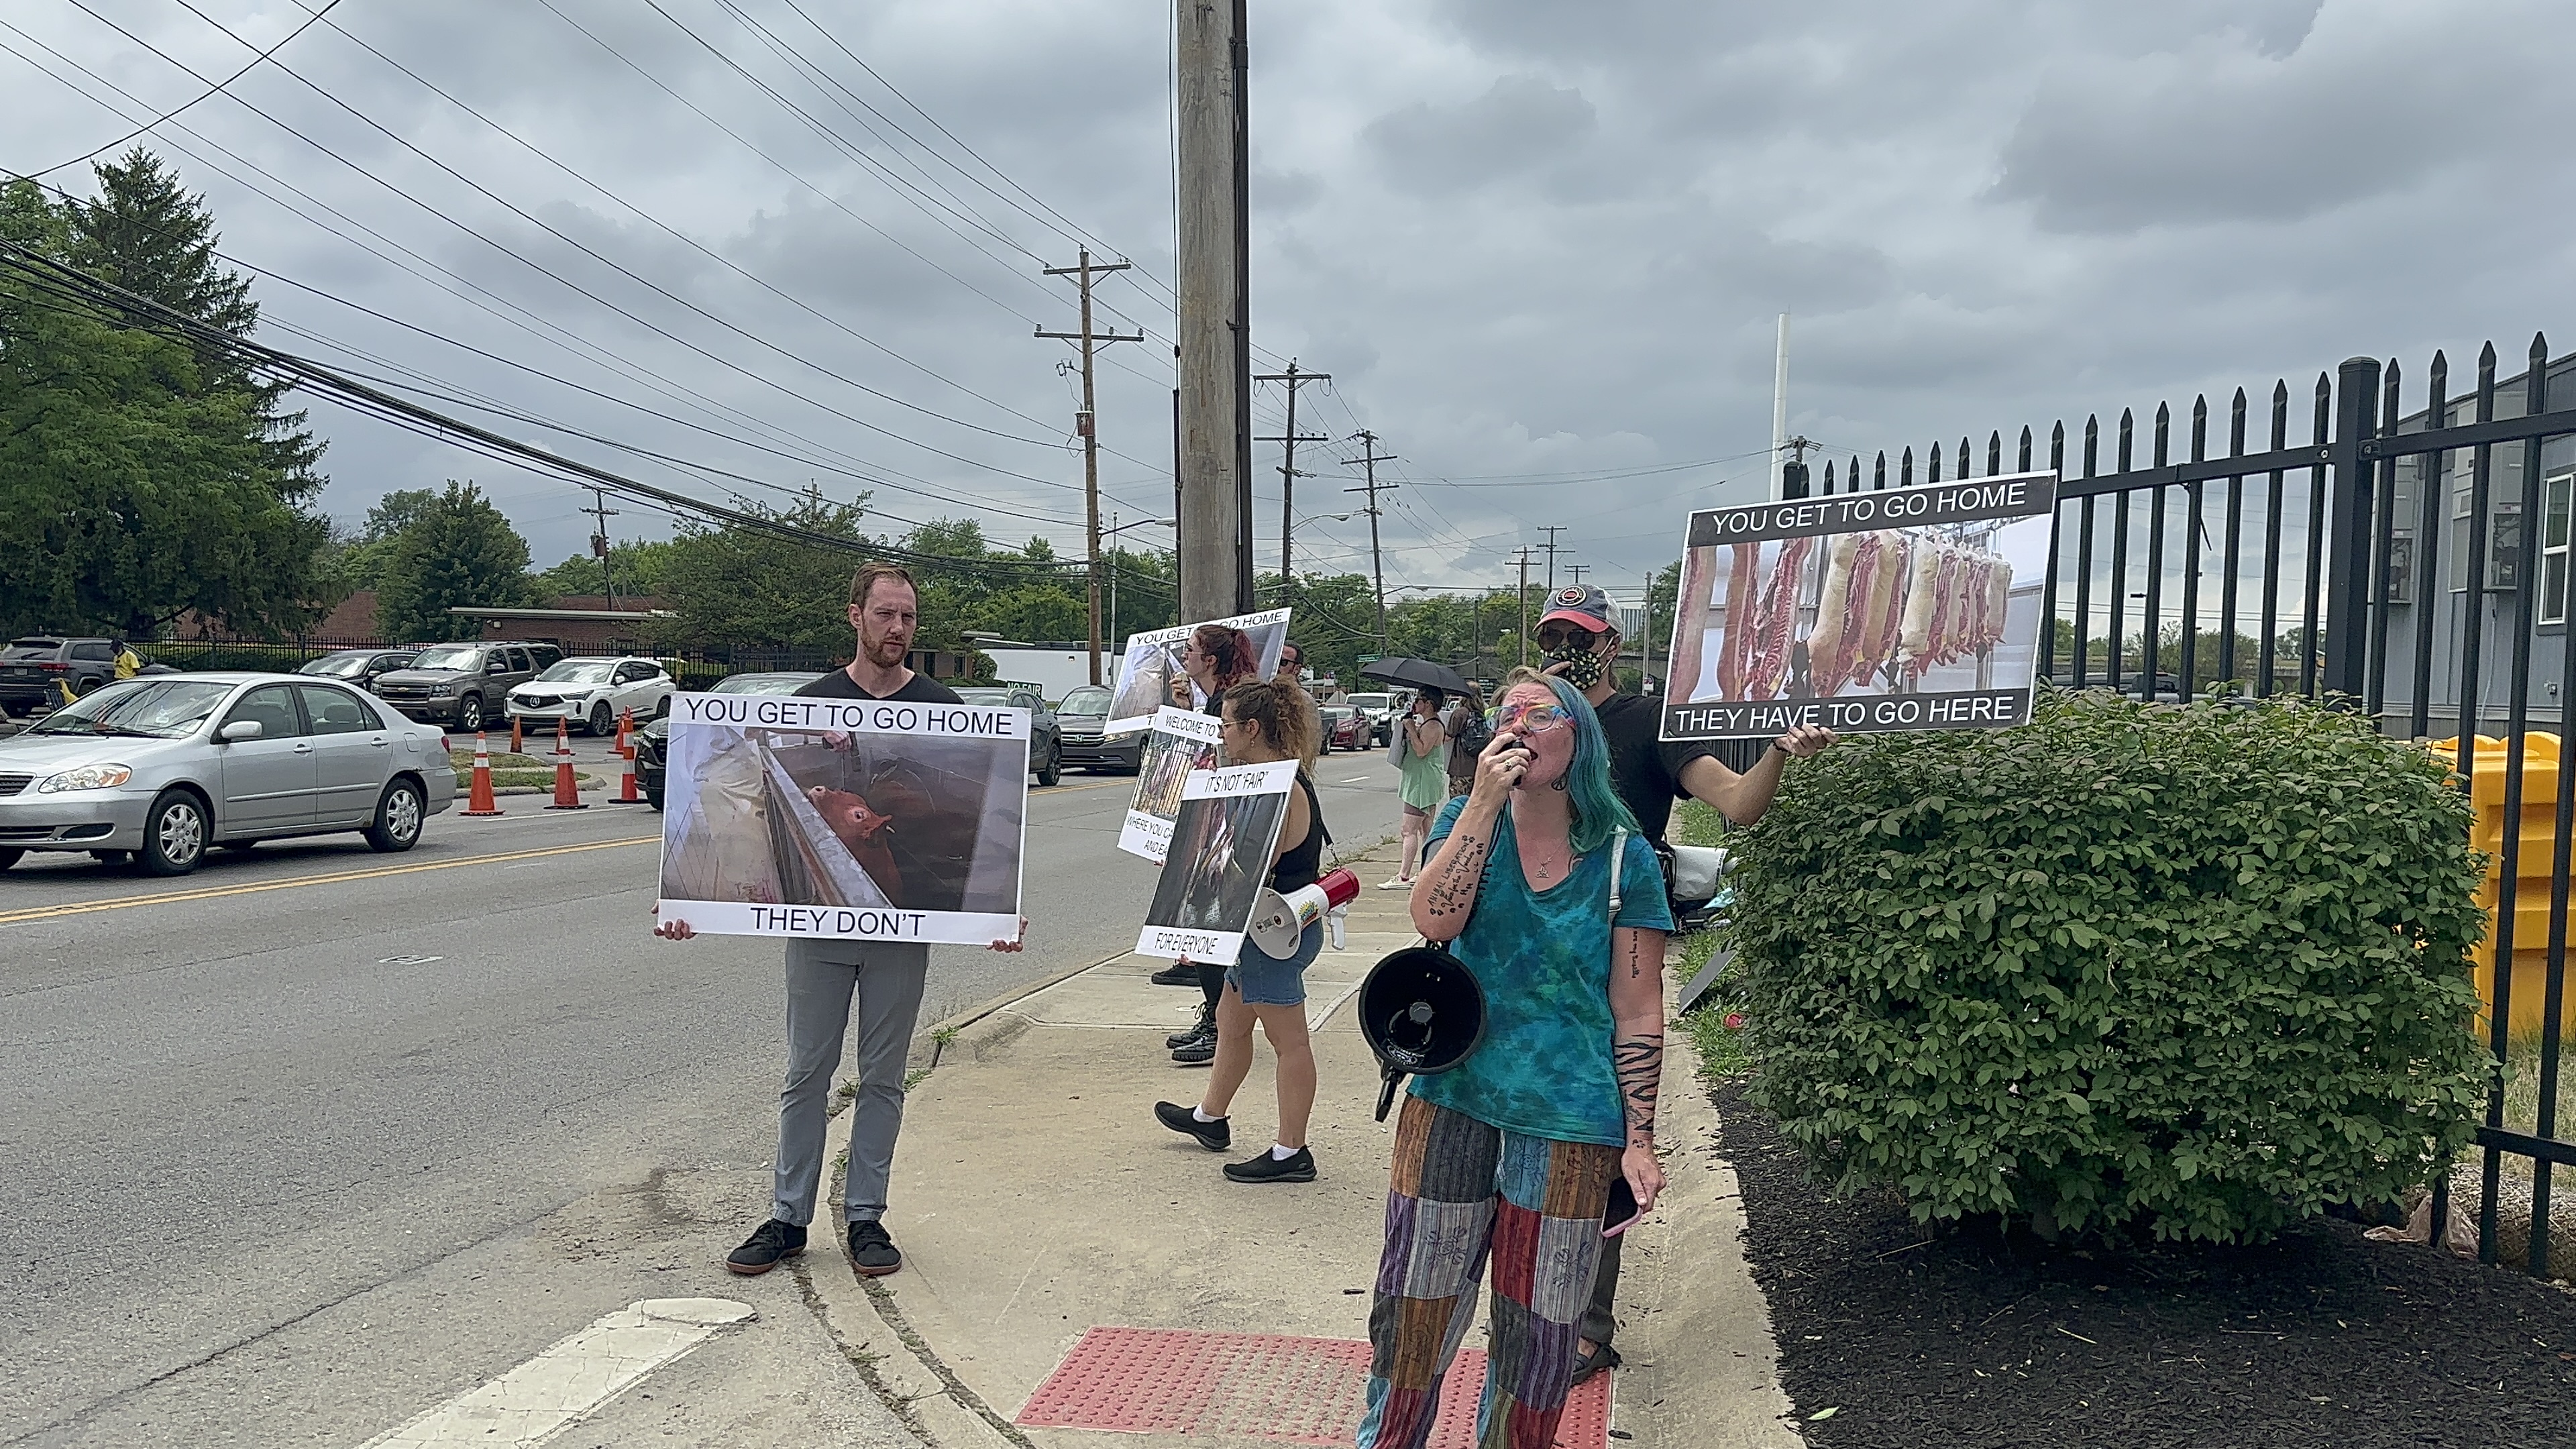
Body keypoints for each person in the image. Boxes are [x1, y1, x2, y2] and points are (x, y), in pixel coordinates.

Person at [653, 562, 1026, 1280]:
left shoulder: (942, 707)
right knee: (806, 1073)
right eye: (885, 614)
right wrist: (687, 903)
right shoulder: (812, 704)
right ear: (855, 616)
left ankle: (865, 1218)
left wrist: (997, 910)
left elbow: (983, 829)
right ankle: (788, 1218)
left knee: (883, 1076)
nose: (898, 629)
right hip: (820, 930)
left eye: (908, 617)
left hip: (899, 933)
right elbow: (746, 806)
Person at [1356, 669, 1672, 1449]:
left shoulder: (1623, 857)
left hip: (1568, 1120)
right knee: (1412, 1311)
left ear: (1580, 740)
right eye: (1507, 715)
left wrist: (1639, 1138)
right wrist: (1483, 804)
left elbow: (1638, 1009)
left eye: (1540, 715)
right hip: (1452, 1097)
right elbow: (1435, 917)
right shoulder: (1467, 820)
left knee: (1539, 1334)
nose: (1519, 727)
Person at [1531, 582, 1835, 1384]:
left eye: (1580, 636)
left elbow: (1735, 802)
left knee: (1601, 1126)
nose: (1565, 649)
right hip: (1529, 950)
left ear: (1610, 644)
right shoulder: (1528, 718)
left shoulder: (1648, 725)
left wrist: (1777, 751)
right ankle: (1536, 1304)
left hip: (1616, 946)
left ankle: (1586, 1326)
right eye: (1553, 635)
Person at [1152, 678, 1329, 1183]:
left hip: (1272, 933)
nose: (1220, 733)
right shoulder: (1268, 778)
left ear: (1252, 729)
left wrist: (1191, 869)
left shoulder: (1278, 788)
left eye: (1226, 724)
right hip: (1258, 929)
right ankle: (1210, 1117)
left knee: (1290, 1042)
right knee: (1231, 1022)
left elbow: (1248, 868)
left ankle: (1292, 1151)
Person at [1163, 623, 1268, 1063]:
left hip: (1227, 829)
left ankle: (1220, 1028)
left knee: (1210, 930)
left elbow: (1224, 766)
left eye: (1190, 650)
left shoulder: (1231, 704)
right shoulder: (1212, 703)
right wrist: (1186, 710)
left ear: (1209, 660)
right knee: (1204, 930)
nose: (1183, 656)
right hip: (1211, 825)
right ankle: (1215, 1019)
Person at [1382, 689, 1448, 888]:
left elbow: (1421, 751)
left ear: (1428, 704)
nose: (1415, 703)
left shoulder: (1433, 725)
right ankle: (1427, 872)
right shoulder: (1429, 724)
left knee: (1408, 830)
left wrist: (1411, 730)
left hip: (1421, 783)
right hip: (1422, 780)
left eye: (1418, 700)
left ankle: (1403, 876)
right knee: (1426, 830)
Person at [1441, 684, 1486, 798]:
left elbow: (1448, 737)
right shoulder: (1484, 713)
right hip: (1479, 767)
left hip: (1460, 767)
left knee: (1458, 803)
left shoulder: (1461, 713)